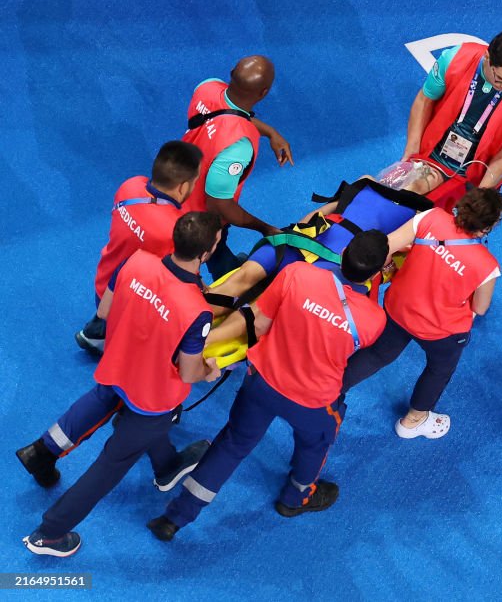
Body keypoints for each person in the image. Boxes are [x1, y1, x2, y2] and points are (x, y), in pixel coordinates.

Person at [146, 231, 390, 541]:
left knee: (232, 444)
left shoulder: (297, 274)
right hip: (313, 402)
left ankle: (175, 517)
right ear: (377, 271)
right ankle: (296, 498)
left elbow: (259, 321)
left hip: (262, 383)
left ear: (342, 255)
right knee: (315, 446)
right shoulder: (374, 319)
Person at [17, 212, 224, 557]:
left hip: (118, 366)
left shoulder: (136, 261)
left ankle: (42, 452)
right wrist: (210, 371)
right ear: (206, 253)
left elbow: (105, 312)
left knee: (96, 405)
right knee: (109, 468)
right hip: (151, 398)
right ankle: (50, 534)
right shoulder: (196, 310)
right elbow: (189, 373)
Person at [339, 188, 502, 439]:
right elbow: (480, 308)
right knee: (439, 369)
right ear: (486, 228)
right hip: (441, 332)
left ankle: (330, 390)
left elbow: (388, 246)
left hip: (398, 308)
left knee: (377, 354)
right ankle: (413, 421)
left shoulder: (431, 217)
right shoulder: (488, 266)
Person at [204, 172, 435, 314]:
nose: (418, 175)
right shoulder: (418, 215)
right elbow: (388, 258)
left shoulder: (368, 184)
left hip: (304, 246)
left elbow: (319, 214)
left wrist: (297, 232)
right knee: (262, 305)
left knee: (245, 281)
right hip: (324, 264)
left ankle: (190, 323)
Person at [75, 140, 203, 356]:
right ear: (182, 186)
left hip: (103, 286)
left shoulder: (130, 186)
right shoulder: (175, 229)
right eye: (195, 180)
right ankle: (113, 340)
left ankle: (99, 328)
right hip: (128, 304)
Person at [401, 31, 502, 210]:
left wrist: (481, 195)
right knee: (403, 198)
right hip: (432, 156)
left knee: (444, 231)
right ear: (487, 57)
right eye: (500, 79)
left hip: (477, 176)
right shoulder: (455, 59)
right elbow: (425, 100)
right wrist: (411, 153)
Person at [183, 55, 289, 278]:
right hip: (198, 217)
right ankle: (230, 290)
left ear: (231, 72)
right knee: (207, 251)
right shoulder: (238, 148)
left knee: (218, 250)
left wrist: (270, 132)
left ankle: (228, 271)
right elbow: (219, 206)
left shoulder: (207, 87)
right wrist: (265, 228)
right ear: (264, 93)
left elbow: (229, 112)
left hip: (180, 185)